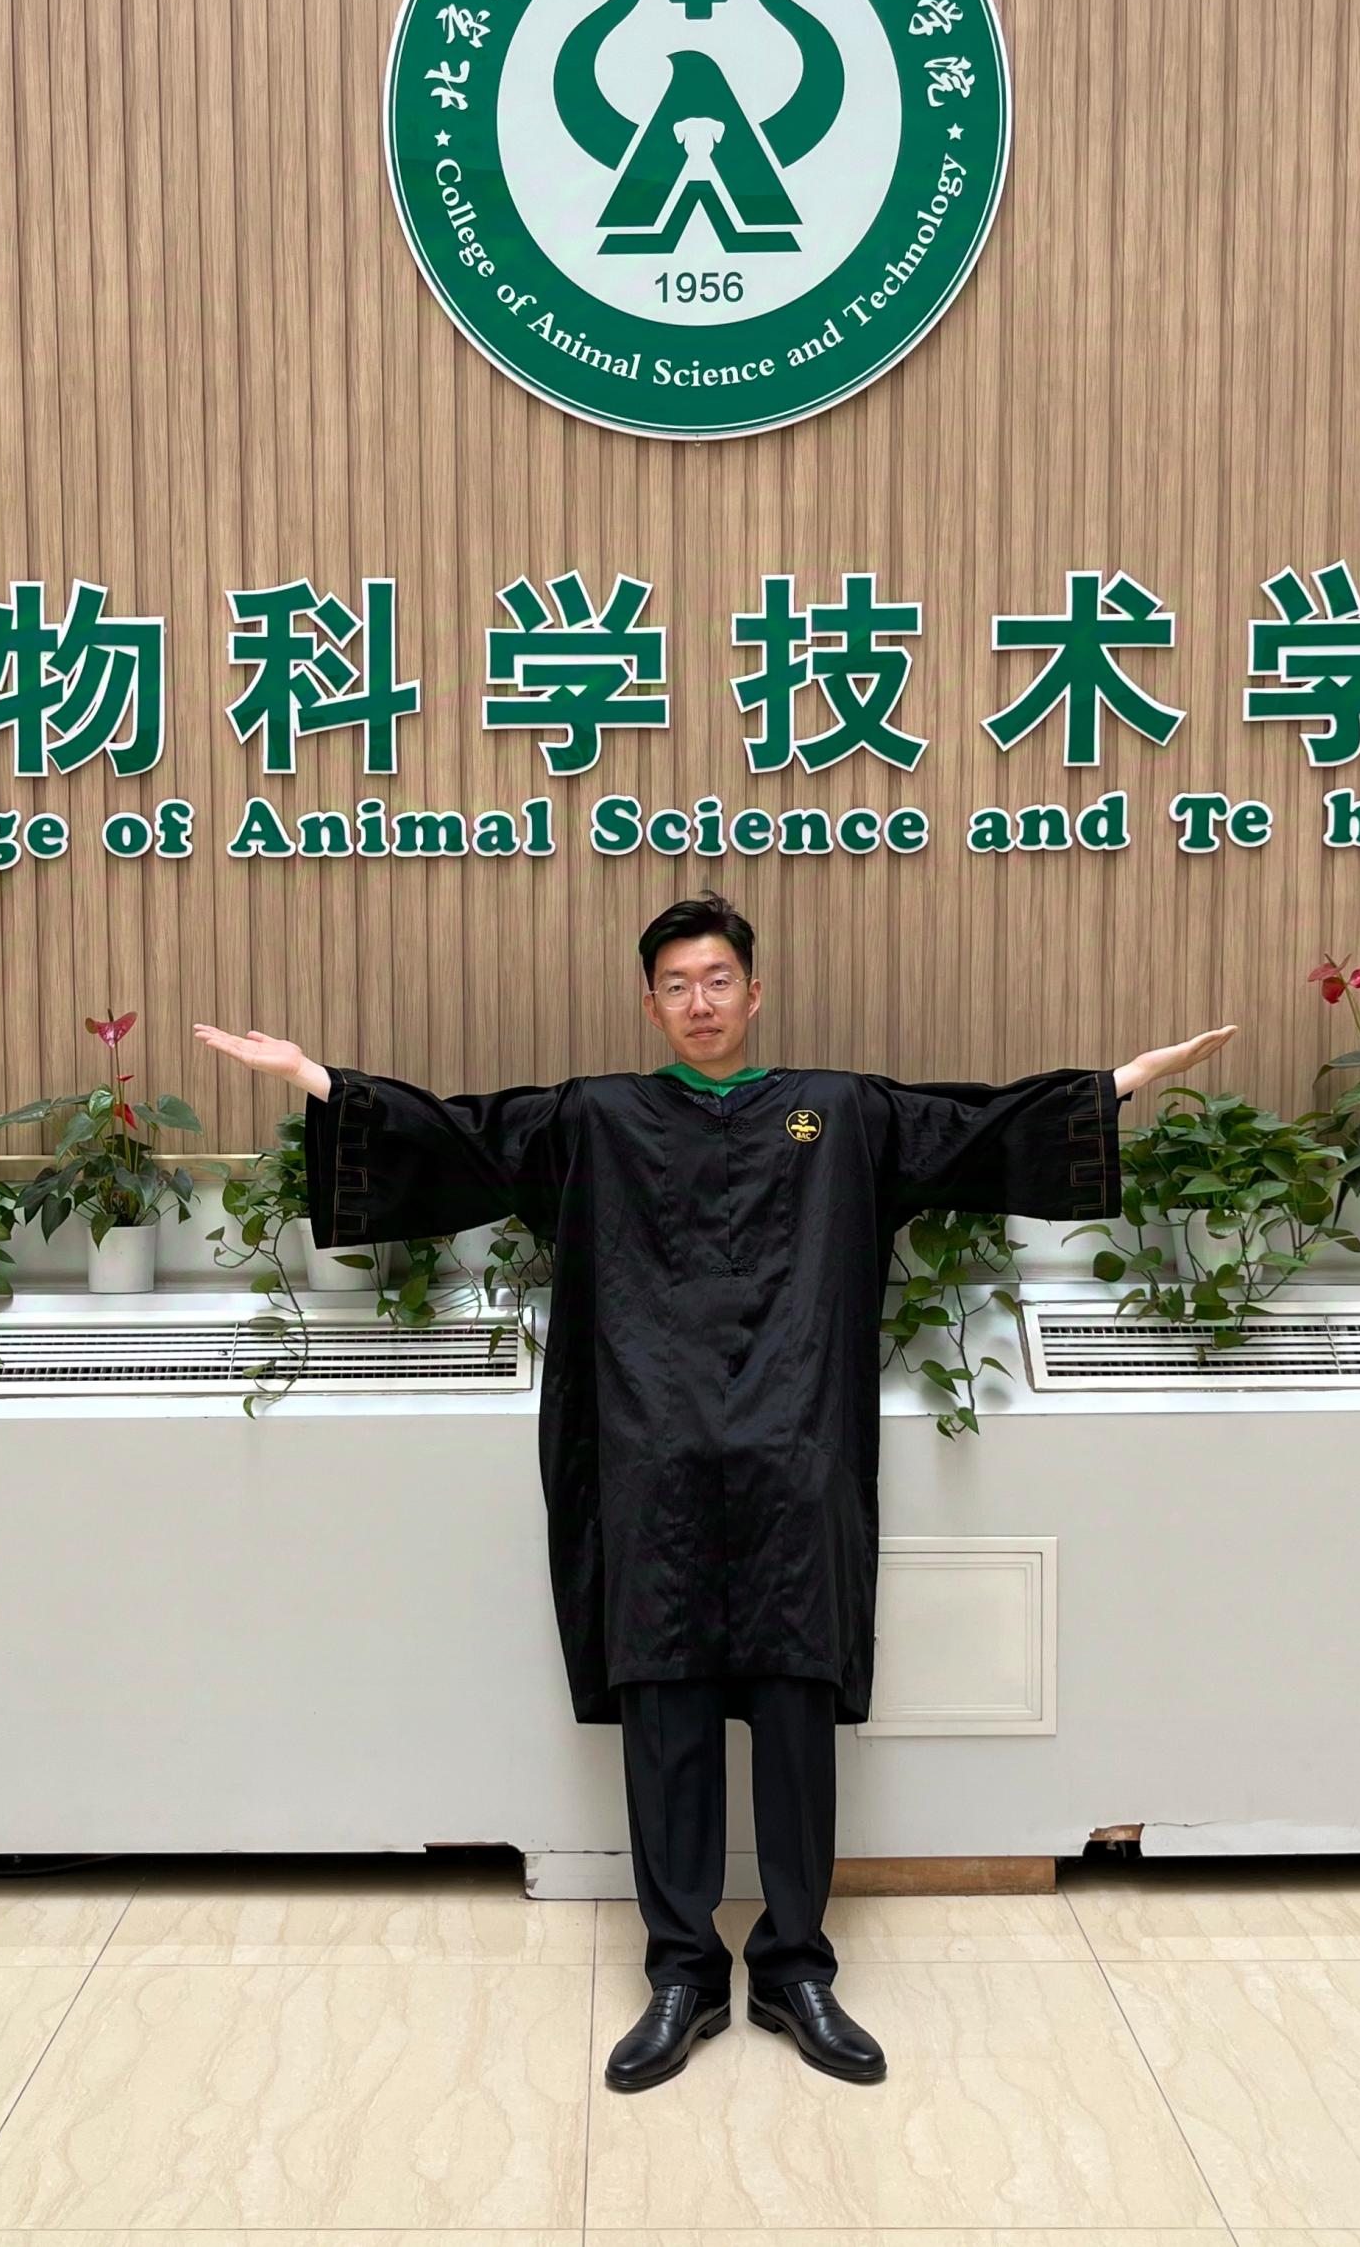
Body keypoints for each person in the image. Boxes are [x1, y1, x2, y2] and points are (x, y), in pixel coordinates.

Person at [195, 893, 1235, 2094]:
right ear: (651, 1004)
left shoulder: (837, 1111)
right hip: (648, 1455)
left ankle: (794, 1966)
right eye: (676, 985)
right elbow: (463, 1140)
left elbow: (975, 1129)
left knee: (795, 1709)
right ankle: (681, 1971)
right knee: (667, 1713)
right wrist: (320, 1081)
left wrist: (1120, 1083)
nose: (699, 1002)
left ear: (754, 991)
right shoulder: (596, 1119)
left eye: (717, 979)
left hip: (794, 1454)